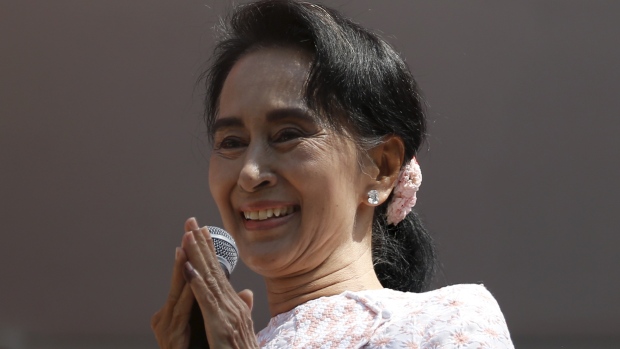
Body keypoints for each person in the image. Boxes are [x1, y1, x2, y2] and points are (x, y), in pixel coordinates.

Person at [151, 0, 514, 348]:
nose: (249, 173)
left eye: (288, 135)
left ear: (382, 168)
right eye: (232, 141)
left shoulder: (448, 322)